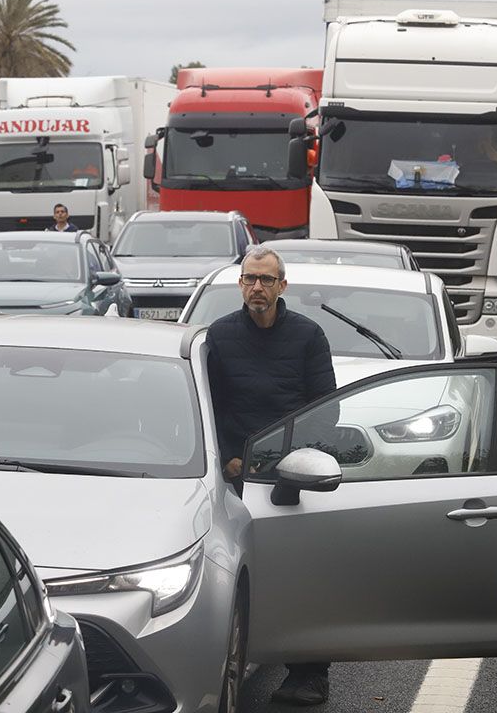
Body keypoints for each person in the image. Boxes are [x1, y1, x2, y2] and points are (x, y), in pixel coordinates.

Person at [206, 245, 337, 706]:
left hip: (291, 476)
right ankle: (226, 656)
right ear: (240, 284)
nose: (256, 287)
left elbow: (327, 413)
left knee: (298, 573)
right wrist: (226, 458)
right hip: (233, 479)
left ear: (283, 285)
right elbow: (207, 409)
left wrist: (285, 459)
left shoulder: (308, 337)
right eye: (248, 279)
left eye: (265, 279)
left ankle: (309, 673)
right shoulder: (219, 338)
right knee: (230, 572)